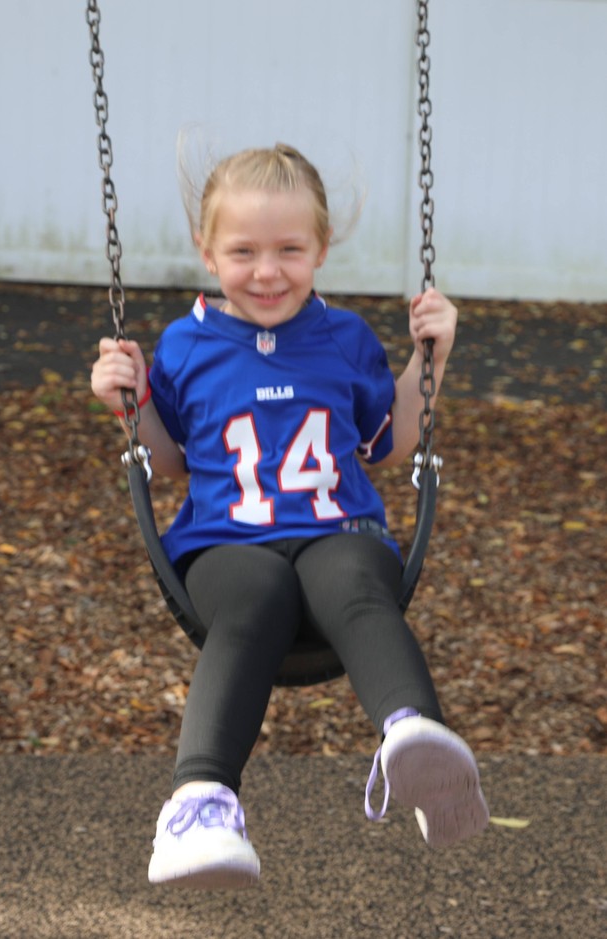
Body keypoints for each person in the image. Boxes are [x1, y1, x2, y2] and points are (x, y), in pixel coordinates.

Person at [91, 143, 489, 889]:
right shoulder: (186, 344)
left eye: (289, 249)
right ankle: (200, 804)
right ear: (207, 253)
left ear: (321, 250)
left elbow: (385, 440)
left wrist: (428, 362)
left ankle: (416, 740)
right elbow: (170, 459)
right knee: (256, 595)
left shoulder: (343, 339)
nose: (267, 270)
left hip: (338, 529)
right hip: (224, 543)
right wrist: (130, 400)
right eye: (243, 250)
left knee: (354, 582)